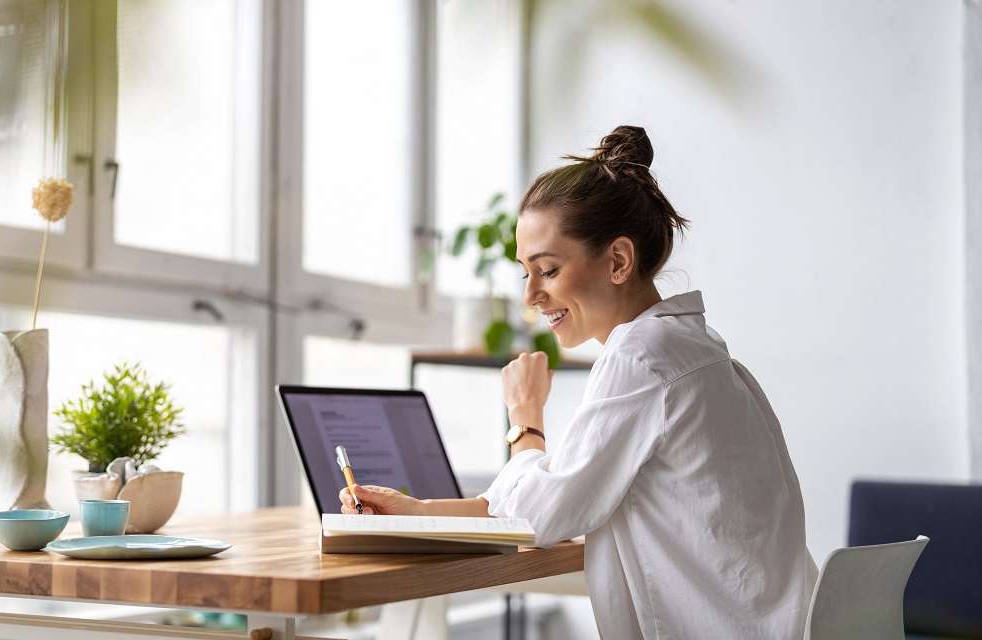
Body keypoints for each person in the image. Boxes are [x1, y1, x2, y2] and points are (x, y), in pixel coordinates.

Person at [340, 125, 817, 639]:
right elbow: (552, 492)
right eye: (525, 273)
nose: (531, 296)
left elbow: (540, 517)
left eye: (547, 270)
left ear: (617, 261)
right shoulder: (693, 348)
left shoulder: (641, 357)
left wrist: (524, 419)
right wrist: (417, 512)